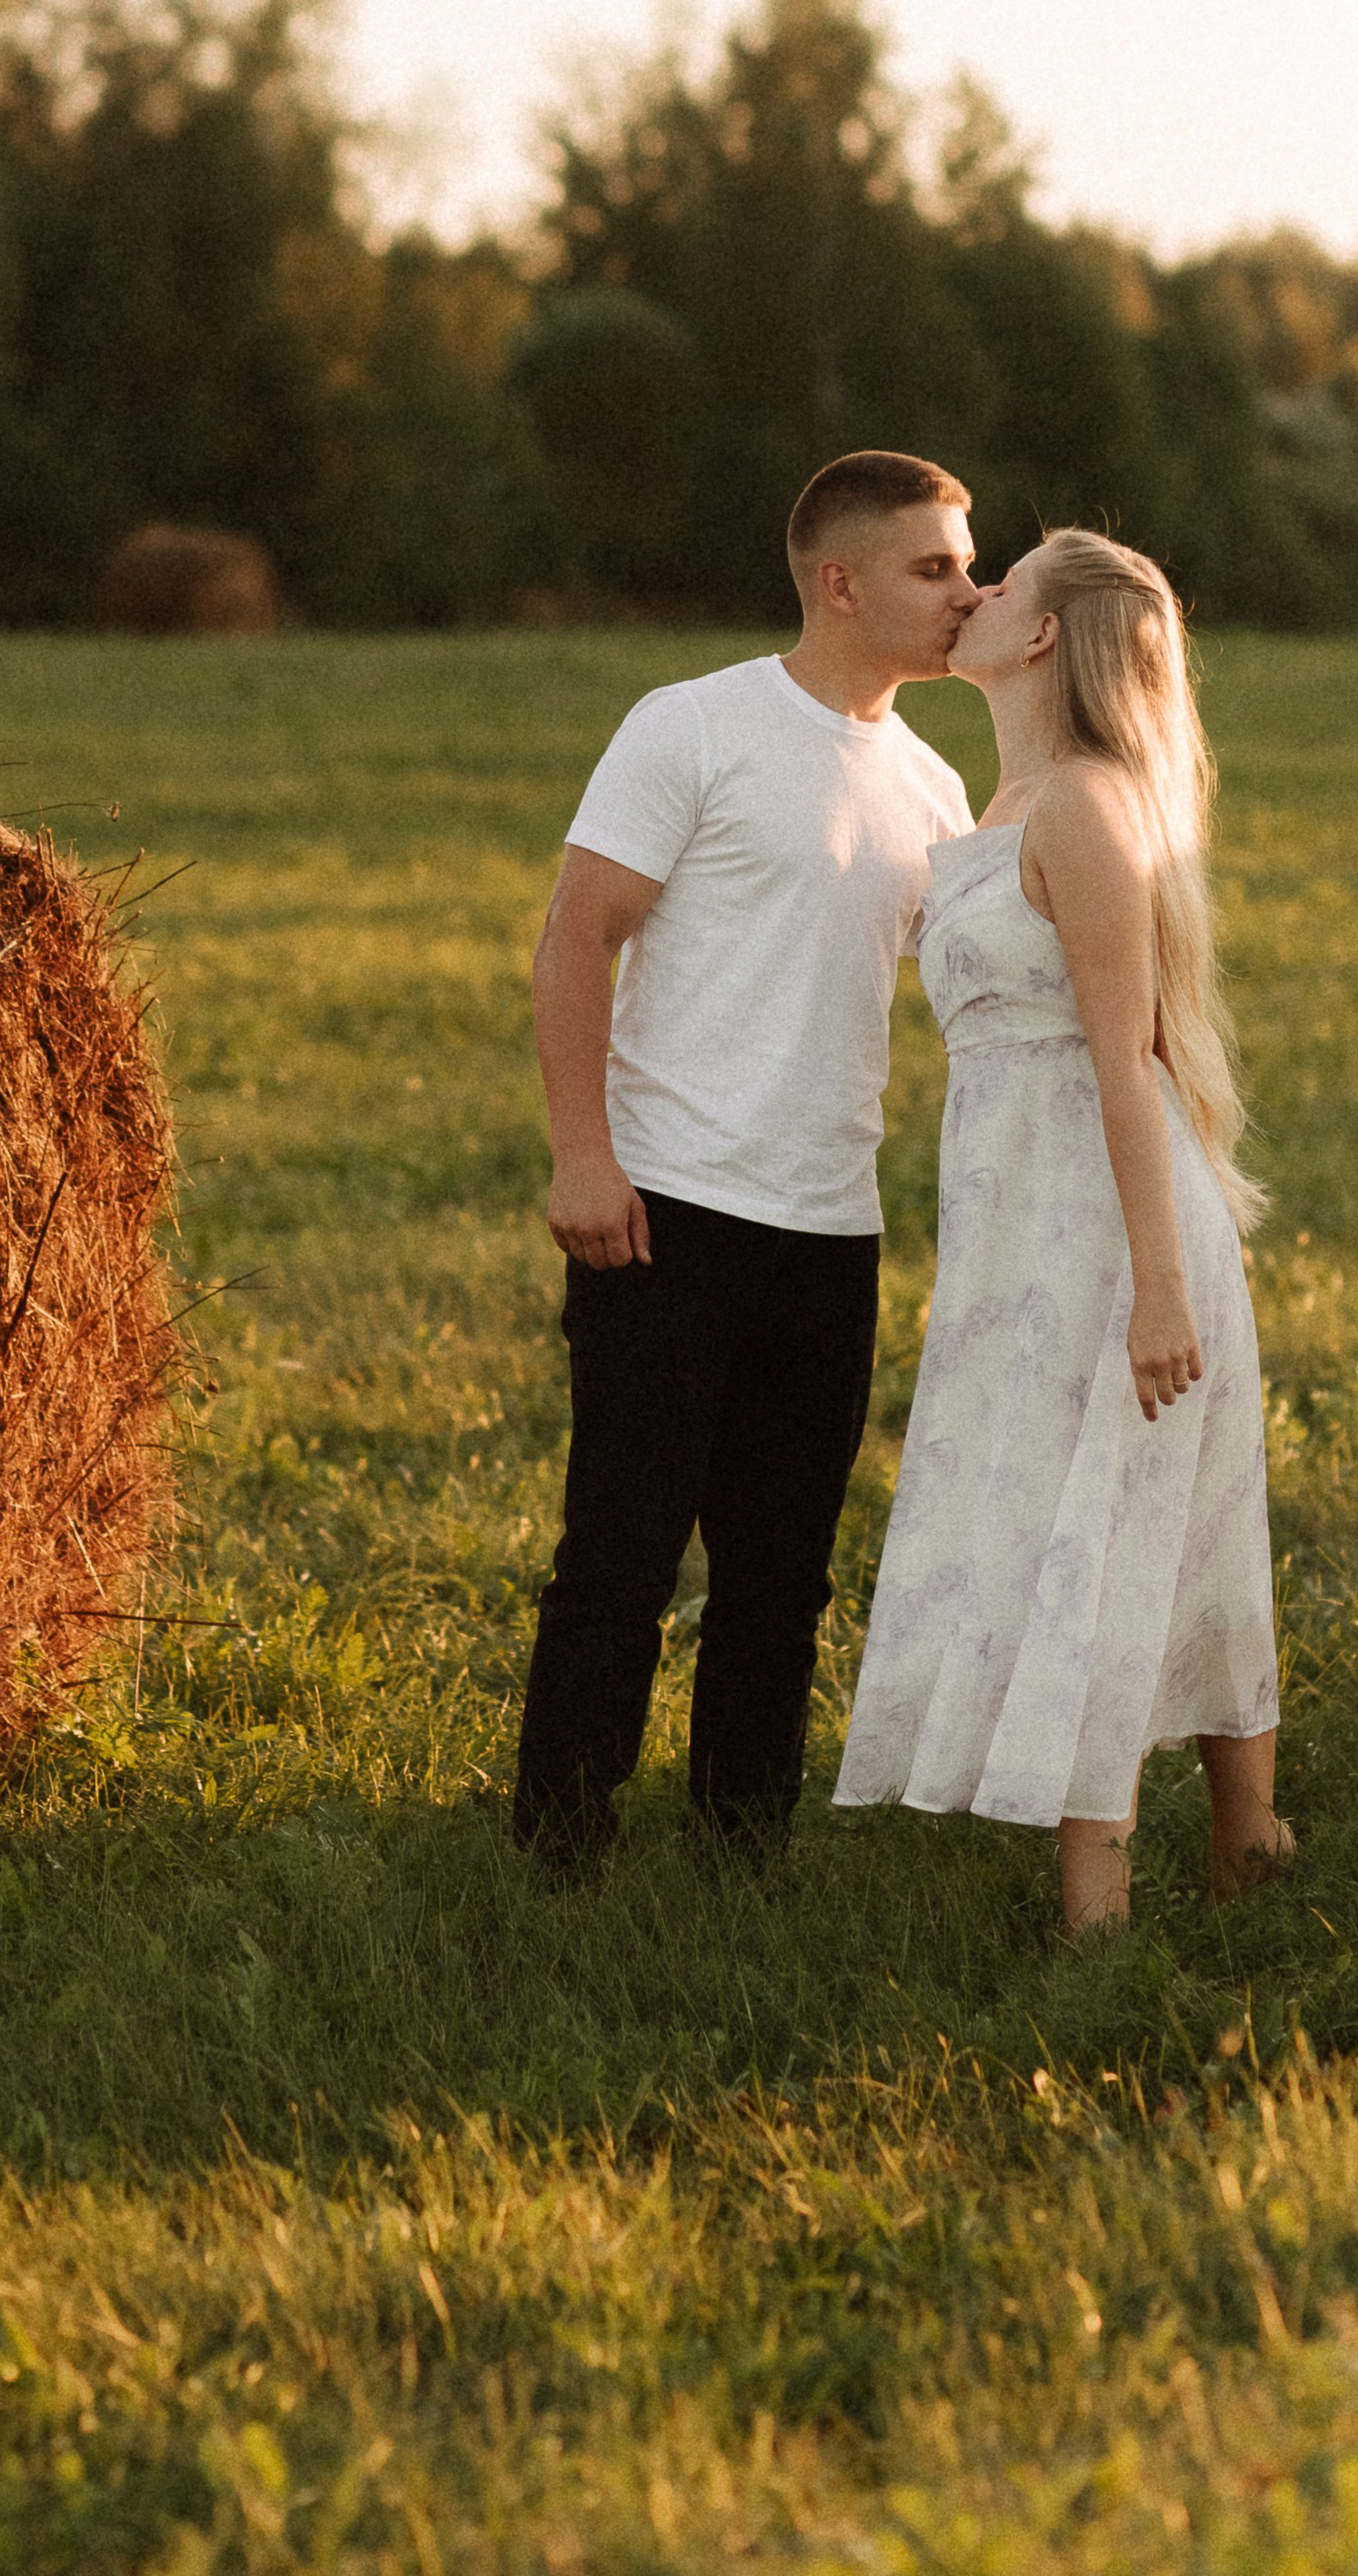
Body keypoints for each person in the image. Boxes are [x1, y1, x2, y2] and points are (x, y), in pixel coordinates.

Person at [512, 449, 980, 1870]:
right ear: (839, 582)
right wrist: (583, 1157)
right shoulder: (695, 726)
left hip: (832, 1229)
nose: (970, 591)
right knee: (622, 1558)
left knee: (784, 1575)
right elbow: (577, 930)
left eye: (969, 565)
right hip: (665, 1210)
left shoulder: (934, 784)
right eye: (937, 567)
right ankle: (559, 1853)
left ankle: (740, 1853)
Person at [834, 528, 1284, 1934]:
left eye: (1000, 582)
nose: (971, 595)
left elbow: (1125, 1059)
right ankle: (1252, 1838)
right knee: (1090, 1517)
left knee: (1130, 1519)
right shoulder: (999, 801)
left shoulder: (1085, 809)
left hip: (1111, 1219)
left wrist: (1160, 1286)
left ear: (1040, 638)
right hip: (1015, 1226)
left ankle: (1113, 1906)